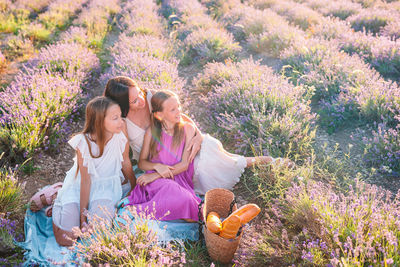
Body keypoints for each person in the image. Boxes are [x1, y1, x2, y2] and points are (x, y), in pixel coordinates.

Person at [104, 76, 293, 195]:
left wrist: (197, 136)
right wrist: (133, 184)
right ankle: (245, 162)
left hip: (178, 142)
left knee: (210, 151)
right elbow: (127, 159)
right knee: (203, 170)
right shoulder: (121, 120)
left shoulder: (150, 97)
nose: (142, 101)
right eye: (134, 100)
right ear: (122, 105)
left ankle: (257, 161)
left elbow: (180, 117)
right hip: (159, 160)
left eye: (140, 93)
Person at [52, 96, 136, 246]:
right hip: (79, 186)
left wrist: (135, 186)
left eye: (120, 116)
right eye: (115, 118)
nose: (121, 121)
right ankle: (58, 202)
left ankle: (87, 213)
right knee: (67, 239)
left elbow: (126, 161)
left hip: (106, 188)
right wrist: (82, 218)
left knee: (97, 235)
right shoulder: (83, 142)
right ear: (100, 122)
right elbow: (85, 180)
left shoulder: (120, 133)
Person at [126, 90, 201, 222]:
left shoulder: (187, 129)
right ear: (159, 115)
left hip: (177, 178)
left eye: (178, 106)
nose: (179, 111)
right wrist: (156, 167)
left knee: (190, 205)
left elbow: (184, 165)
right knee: (183, 199)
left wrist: (156, 174)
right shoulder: (152, 132)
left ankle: (136, 211)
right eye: (173, 109)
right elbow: (142, 162)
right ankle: (133, 212)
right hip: (156, 182)